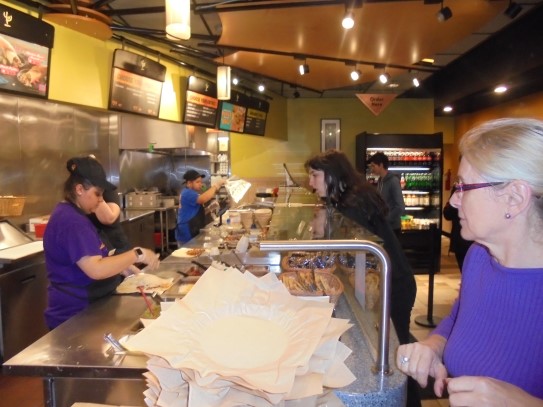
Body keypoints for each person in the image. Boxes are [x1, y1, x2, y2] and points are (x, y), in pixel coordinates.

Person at [396, 118, 543, 406]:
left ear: (514, 198)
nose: (453, 201)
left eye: (464, 186)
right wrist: (433, 346)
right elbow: (458, 319)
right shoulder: (479, 256)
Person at [305, 149, 421, 407]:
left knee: (397, 353)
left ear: (332, 175)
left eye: (315, 175)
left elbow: (361, 257)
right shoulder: (347, 199)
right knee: (399, 347)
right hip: (389, 280)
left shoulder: (352, 205)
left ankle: (409, 401)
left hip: (393, 283)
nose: (311, 182)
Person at [43, 156, 160, 330]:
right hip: (75, 316)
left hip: (88, 309)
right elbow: (96, 269)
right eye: (97, 194)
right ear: (79, 189)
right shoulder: (72, 221)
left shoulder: (75, 215)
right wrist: (137, 254)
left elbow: (94, 258)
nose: (100, 200)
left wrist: (123, 268)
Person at [175, 170, 226, 245]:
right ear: (189, 183)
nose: (200, 184)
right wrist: (216, 186)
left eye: (201, 182)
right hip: (187, 231)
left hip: (192, 228)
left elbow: (195, 212)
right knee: (189, 251)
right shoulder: (187, 193)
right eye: (197, 182)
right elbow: (203, 199)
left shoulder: (192, 193)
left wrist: (209, 208)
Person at [367, 152, 405, 235]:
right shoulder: (380, 180)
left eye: (373, 166)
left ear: (381, 165)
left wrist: (386, 219)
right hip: (383, 226)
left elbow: (400, 207)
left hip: (392, 228)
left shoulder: (393, 181)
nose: (372, 169)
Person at [442, 186, 473, 272]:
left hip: (476, 241)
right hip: (460, 239)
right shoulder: (458, 190)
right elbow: (447, 214)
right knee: (464, 270)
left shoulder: (479, 189)